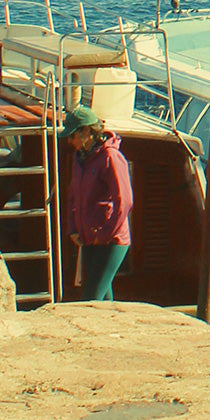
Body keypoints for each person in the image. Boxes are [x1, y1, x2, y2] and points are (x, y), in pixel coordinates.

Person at [63, 105, 133, 301]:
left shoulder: (111, 157)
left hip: (111, 241)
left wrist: (103, 235)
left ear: (86, 131)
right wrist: (73, 228)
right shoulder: (80, 158)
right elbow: (73, 195)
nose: (70, 141)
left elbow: (125, 202)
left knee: (91, 298)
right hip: (89, 238)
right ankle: (114, 330)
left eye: (73, 136)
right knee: (101, 297)